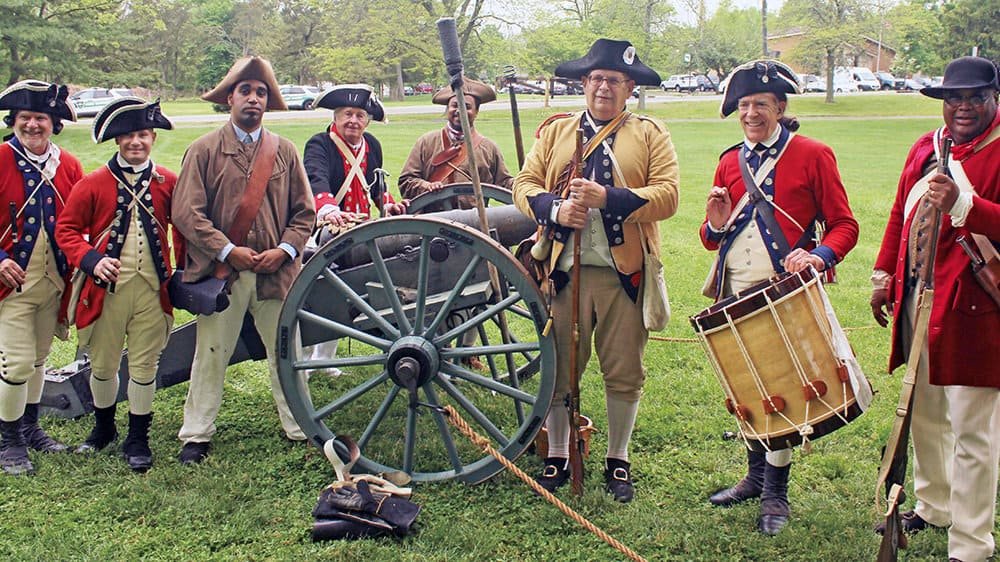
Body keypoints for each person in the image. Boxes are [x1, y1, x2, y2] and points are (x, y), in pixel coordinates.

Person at [513, 38, 678, 502]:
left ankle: (617, 460)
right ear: (584, 84)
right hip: (564, 272)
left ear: (630, 89)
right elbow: (522, 184)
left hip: (623, 273)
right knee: (561, 369)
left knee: (623, 371)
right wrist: (554, 208)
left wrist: (610, 200)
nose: (605, 88)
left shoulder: (649, 133)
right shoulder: (555, 132)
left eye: (616, 81)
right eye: (597, 79)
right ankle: (558, 454)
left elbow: (668, 195)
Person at [700, 60, 859, 535]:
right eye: (745, 106)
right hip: (734, 288)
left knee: (782, 389)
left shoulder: (813, 154)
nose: (751, 114)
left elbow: (845, 225)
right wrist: (715, 221)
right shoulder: (730, 160)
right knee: (746, 387)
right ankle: (753, 478)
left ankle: (775, 493)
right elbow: (712, 238)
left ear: (780, 108)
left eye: (761, 105)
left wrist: (818, 256)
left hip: (784, 291)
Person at [871, 56, 1000, 562]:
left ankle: (970, 543)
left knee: (972, 428)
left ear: (994, 99)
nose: (963, 107)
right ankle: (934, 505)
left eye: (974, 97)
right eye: (954, 98)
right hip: (917, 301)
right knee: (924, 415)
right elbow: (899, 214)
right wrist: (884, 276)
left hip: (974, 309)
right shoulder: (928, 146)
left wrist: (966, 207)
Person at [171, 56, 316, 465]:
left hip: (274, 273)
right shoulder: (203, 150)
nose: (253, 99)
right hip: (225, 274)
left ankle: (300, 423)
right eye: (246, 91)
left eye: (261, 93)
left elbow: (304, 212)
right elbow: (187, 212)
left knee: (288, 352)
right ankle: (197, 434)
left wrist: (285, 250)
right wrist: (226, 250)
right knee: (211, 354)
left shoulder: (284, 151)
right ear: (230, 99)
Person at [55, 97, 179, 473]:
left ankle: (138, 437)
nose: (135, 143)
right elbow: (67, 230)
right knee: (104, 364)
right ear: (117, 141)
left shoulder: (168, 182)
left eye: (142, 135)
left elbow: (185, 230)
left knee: (144, 365)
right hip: (106, 291)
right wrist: (92, 260)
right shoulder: (94, 184)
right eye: (127, 136)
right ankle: (104, 428)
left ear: (153, 138)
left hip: (151, 289)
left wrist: (185, 272)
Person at [0, 80, 82, 475]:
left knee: (37, 362)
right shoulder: (0, 159)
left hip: (53, 283)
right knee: (15, 365)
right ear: (13, 121)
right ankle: (9, 440)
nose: (33, 125)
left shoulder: (68, 166)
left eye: (41, 119)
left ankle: (31, 429)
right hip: (11, 284)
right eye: (25, 118)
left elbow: (80, 222)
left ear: (54, 124)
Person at [302, 84, 403, 374]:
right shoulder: (320, 144)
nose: (353, 121)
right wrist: (328, 207)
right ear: (335, 117)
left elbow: (377, 185)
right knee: (316, 291)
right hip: (323, 227)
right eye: (347, 114)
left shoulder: (372, 145)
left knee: (350, 290)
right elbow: (315, 177)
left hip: (360, 231)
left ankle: (324, 359)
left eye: (360, 115)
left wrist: (388, 204)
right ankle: (305, 356)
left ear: (367, 121)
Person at [398, 78, 514, 208]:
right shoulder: (426, 142)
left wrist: (522, 185)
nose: (460, 110)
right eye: (455, 105)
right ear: (448, 109)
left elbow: (504, 183)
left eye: (467, 107)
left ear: (476, 112)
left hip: (475, 221)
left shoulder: (489, 148)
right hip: (432, 220)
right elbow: (406, 182)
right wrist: (427, 186)